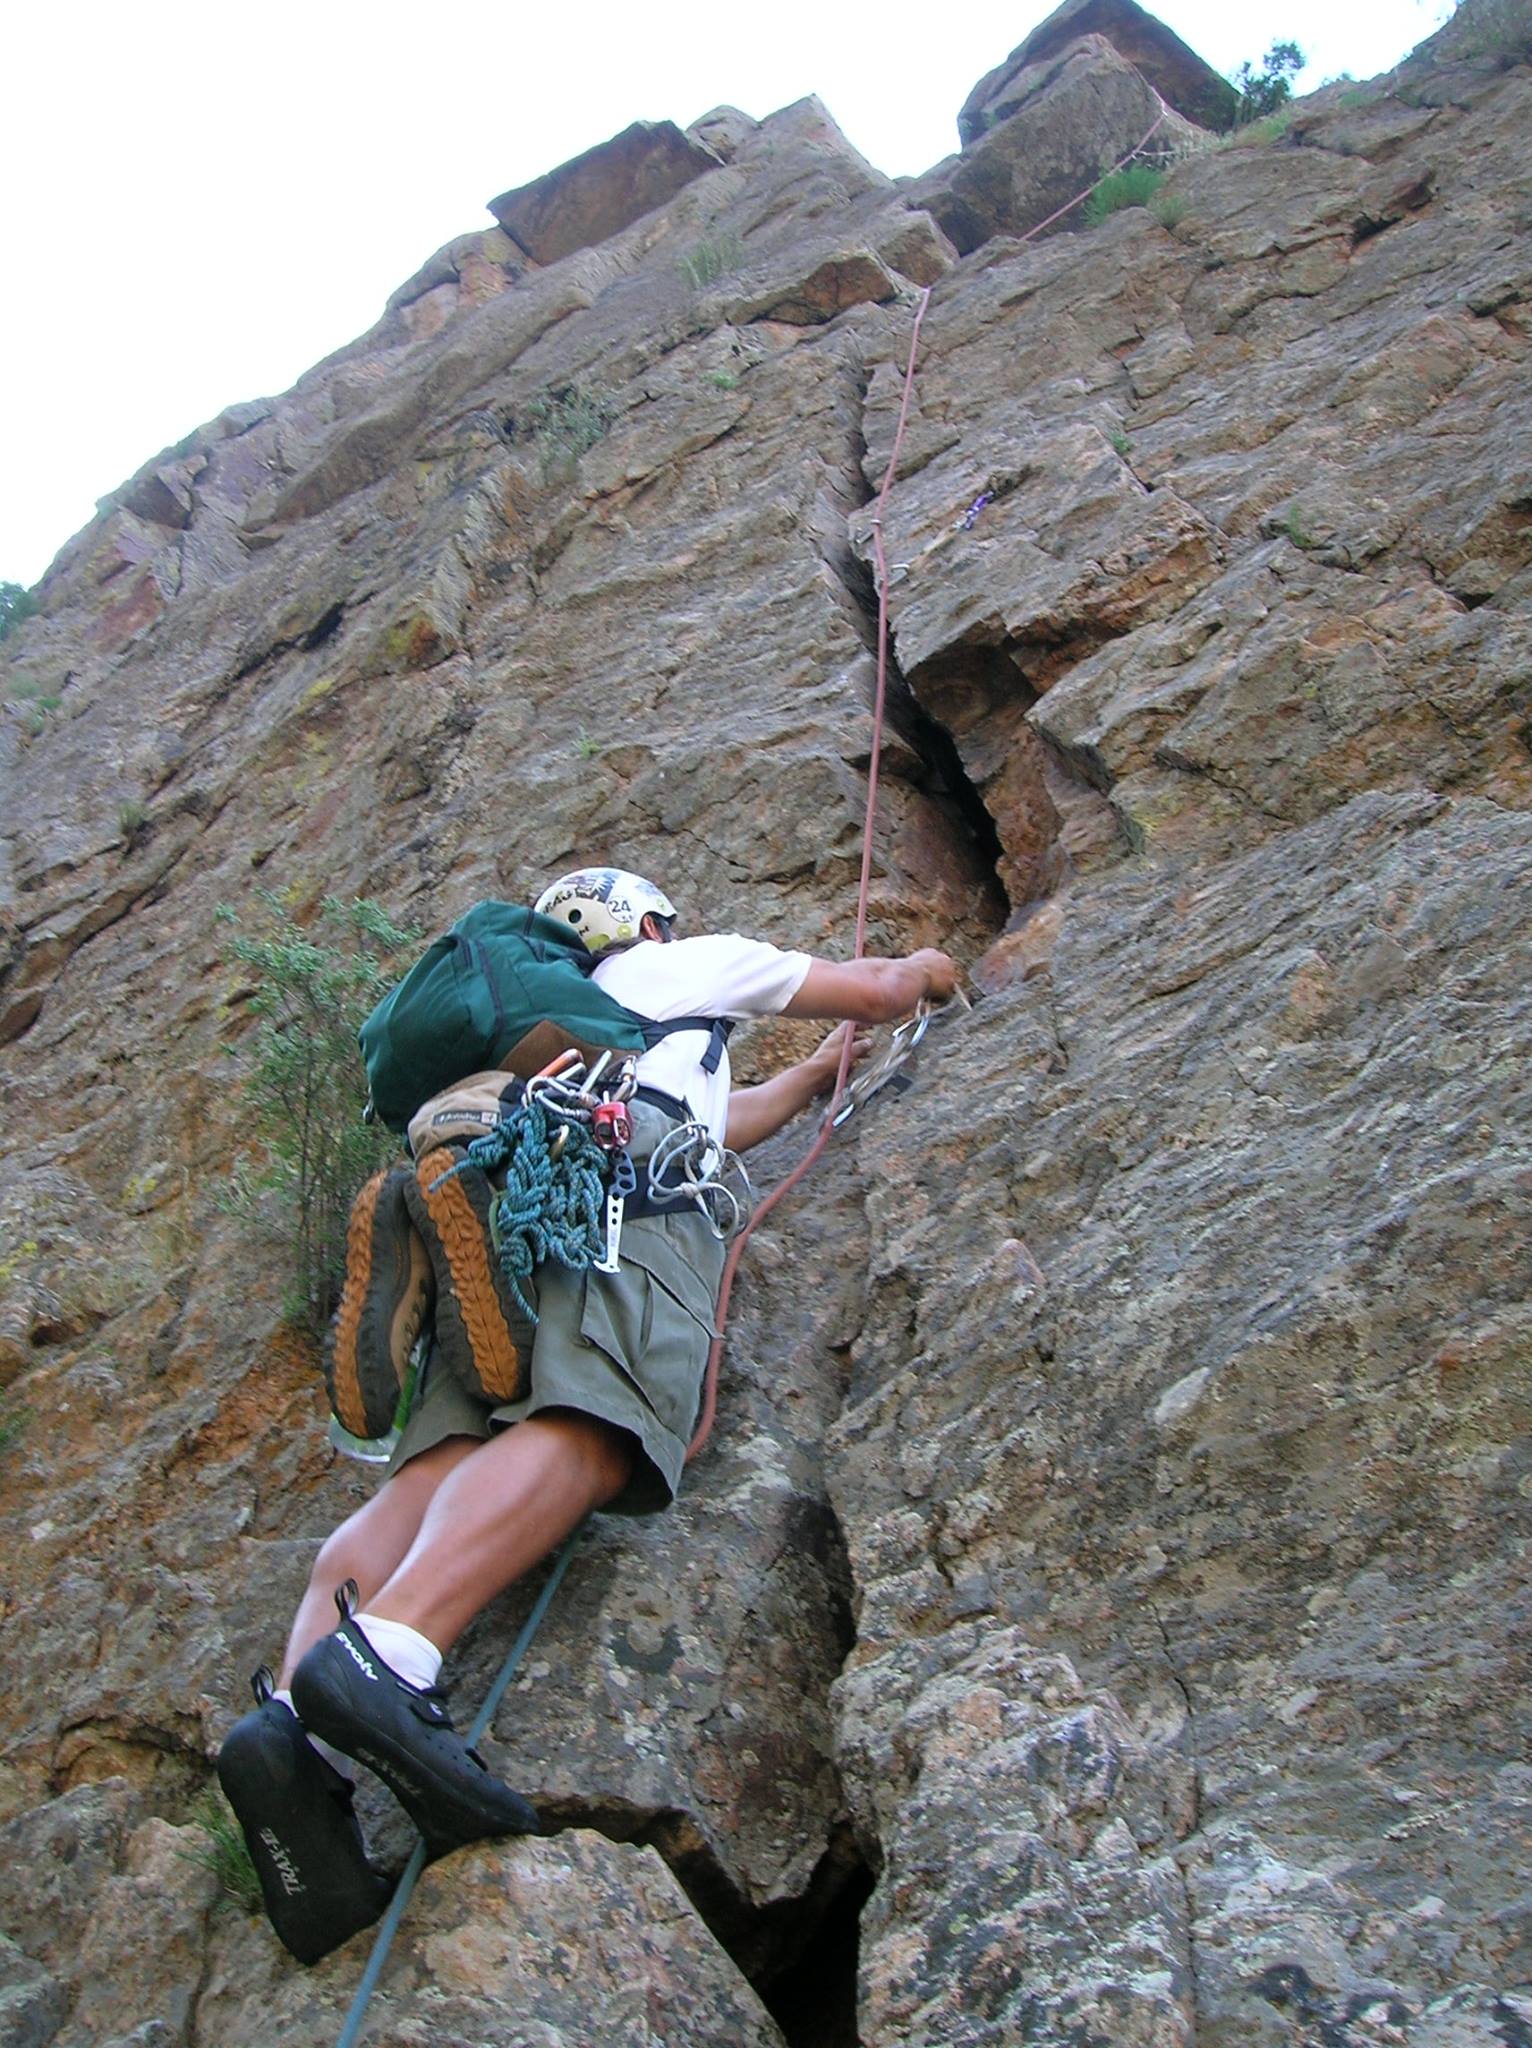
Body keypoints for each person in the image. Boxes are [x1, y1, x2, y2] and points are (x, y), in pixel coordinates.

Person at [217, 867, 958, 1964]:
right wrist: (938, 970)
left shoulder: (564, 1036)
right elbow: (875, 985)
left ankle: (293, 1738)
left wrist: (804, 1080)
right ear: (648, 918)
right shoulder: (681, 963)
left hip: (515, 1193)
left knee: (441, 1458)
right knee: (588, 1423)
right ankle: (390, 1656)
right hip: (624, 1212)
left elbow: (714, 1118)